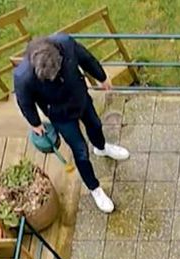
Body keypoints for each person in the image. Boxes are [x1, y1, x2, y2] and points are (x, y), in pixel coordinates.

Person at [14, 34, 129, 213]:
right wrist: (35, 123)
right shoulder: (23, 77)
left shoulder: (67, 44)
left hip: (81, 99)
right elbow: (24, 101)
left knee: (96, 125)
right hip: (61, 115)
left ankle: (102, 147)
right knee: (80, 151)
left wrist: (101, 76)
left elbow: (86, 58)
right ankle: (95, 188)